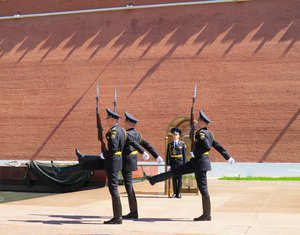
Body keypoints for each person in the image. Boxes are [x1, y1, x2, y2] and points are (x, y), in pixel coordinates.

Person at [145, 110, 235, 221]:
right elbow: (218, 146)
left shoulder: (201, 133)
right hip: (197, 163)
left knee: (203, 189)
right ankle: (153, 180)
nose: (197, 121)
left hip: (199, 163)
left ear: (202, 121)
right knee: (176, 171)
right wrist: (228, 157)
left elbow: (207, 147)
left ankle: (207, 214)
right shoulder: (209, 134)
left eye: (199, 120)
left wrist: (195, 153)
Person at [122, 112, 163, 220]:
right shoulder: (138, 134)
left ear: (128, 123)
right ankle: (133, 211)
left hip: (126, 162)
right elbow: (147, 144)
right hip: (132, 161)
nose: (124, 123)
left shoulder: (127, 134)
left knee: (129, 187)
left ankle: (133, 212)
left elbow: (133, 144)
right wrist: (156, 156)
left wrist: (143, 153)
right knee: (129, 187)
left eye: (125, 121)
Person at [166, 127, 186, 198]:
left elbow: (184, 155)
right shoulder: (170, 144)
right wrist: (168, 164)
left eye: (176, 135)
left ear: (179, 136)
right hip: (173, 164)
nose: (175, 136)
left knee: (179, 179)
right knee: (174, 179)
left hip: (180, 164)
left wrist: (184, 165)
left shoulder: (182, 144)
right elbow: (168, 155)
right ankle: (175, 193)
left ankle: (179, 193)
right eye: (173, 135)